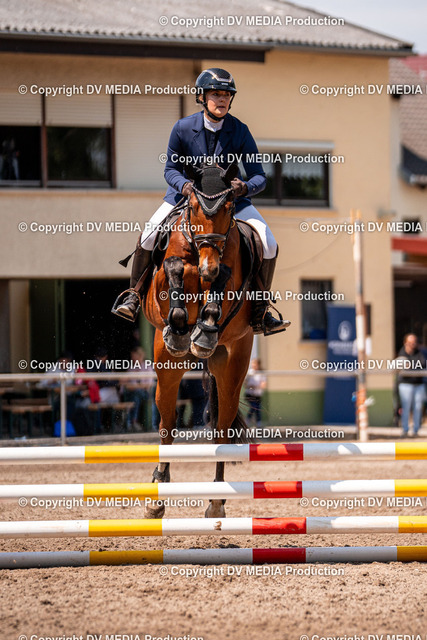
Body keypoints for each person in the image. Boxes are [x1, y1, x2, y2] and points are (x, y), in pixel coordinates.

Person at [112, 67, 289, 336]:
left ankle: (260, 309)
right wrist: (184, 186)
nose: (222, 99)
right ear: (202, 97)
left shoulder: (240, 131)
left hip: (229, 203)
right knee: (148, 235)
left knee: (269, 242)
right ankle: (133, 296)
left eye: (227, 95)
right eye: (216, 94)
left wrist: (244, 187)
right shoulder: (183, 128)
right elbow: (170, 170)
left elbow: (259, 177)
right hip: (187, 199)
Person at [396, 334, 426, 437]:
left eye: (414, 343)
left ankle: (416, 430)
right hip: (405, 384)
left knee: (418, 407)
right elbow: (402, 366)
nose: (412, 345)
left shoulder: (420, 353)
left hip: (418, 384)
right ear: (405, 343)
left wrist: (411, 365)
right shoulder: (402, 354)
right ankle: (405, 430)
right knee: (406, 407)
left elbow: (422, 364)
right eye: (410, 343)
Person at [122, 346, 155, 431]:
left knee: (136, 394)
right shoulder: (131, 367)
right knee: (134, 397)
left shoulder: (147, 367)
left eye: (134, 356)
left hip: (145, 394)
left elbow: (148, 385)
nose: (133, 358)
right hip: (132, 393)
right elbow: (124, 382)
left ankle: (131, 422)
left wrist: (135, 387)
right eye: (132, 356)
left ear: (140, 356)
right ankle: (132, 422)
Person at [245, 358, 267, 427]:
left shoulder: (261, 373)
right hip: (250, 394)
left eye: (255, 364)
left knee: (257, 408)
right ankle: (248, 420)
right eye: (252, 364)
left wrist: (256, 386)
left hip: (257, 395)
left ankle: (258, 423)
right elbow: (245, 384)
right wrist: (252, 386)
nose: (253, 365)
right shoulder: (249, 372)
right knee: (254, 406)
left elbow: (263, 384)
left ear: (258, 364)